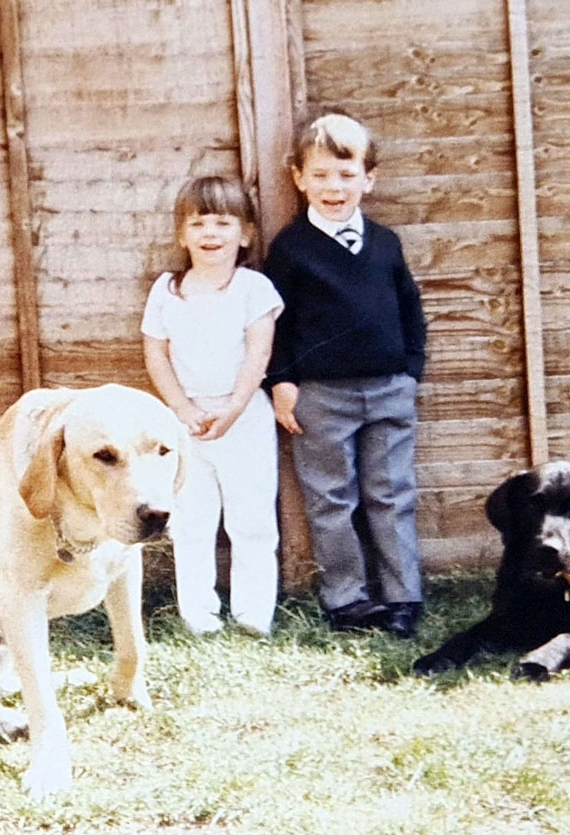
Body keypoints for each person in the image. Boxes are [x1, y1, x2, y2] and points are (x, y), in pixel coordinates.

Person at [263, 110, 427, 637]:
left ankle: (402, 597)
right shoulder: (290, 250)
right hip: (320, 397)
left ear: (368, 178)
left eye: (346, 174)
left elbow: (409, 308)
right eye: (321, 175)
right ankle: (347, 600)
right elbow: (275, 323)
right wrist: (281, 382)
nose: (334, 187)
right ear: (299, 178)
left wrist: (410, 370)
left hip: (388, 390)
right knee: (331, 499)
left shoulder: (385, 243)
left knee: (391, 493)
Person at [141, 176, 284, 636]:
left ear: (244, 234)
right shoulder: (167, 289)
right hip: (187, 422)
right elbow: (156, 353)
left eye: (223, 223)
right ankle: (199, 613)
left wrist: (235, 408)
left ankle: (253, 613)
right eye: (198, 223)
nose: (210, 234)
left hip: (243, 417)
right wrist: (180, 409)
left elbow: (259, 353)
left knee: (252, 519)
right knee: (191, 520)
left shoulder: (253, 288)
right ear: (182, 235)